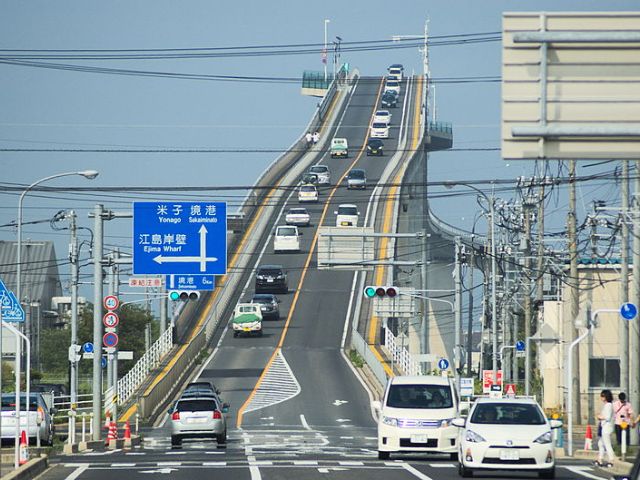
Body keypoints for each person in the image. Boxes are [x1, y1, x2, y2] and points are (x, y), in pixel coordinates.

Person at [595, 389, 615, 468]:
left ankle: (611, 460)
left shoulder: (609, 405)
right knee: (601, 443)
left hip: (607, 427)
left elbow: (607, 417)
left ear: (606, 397)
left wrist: (599, 416)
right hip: (605, 427)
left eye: (602, 396)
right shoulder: (607, 405)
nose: (601, 397)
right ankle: (600, 459)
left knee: (607, 444)